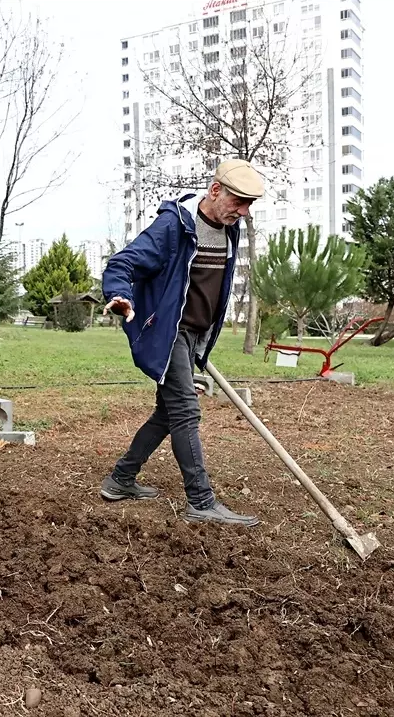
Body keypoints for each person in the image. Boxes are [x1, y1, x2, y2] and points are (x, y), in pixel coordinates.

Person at [100, 159, 263, 527]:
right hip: (168, 333)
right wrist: (120, 295)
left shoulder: (228, 229)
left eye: (250, 204)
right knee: (186, 411)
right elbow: (122, 264)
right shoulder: (174, 226)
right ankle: (201, 500)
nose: (244, 211)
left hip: (192, 337)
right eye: (239, 201)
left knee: (167, 414)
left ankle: (120, 479)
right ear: (215, 190)